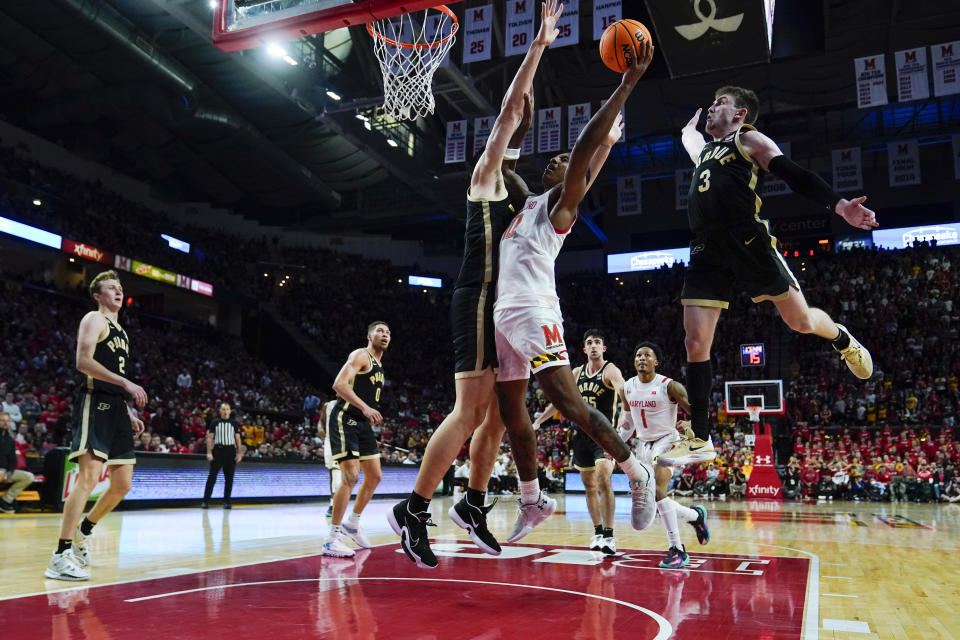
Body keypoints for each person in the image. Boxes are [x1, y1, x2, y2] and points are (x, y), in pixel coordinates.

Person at [389, 0, 566, 570]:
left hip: (505, 303)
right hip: (478, 296)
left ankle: (472, 500)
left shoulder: (516, 186)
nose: (519, 122)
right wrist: (537, 47)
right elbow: (514, 108)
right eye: (512, 127)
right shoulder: (485, 177)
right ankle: (413, 510)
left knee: (495, 414)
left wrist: (533, 90)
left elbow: (526, 109)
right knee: (469, 413)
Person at [492, 40, 659, 546]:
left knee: (566, 403)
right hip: (504, 316)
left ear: (577, 180)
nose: (559, 159)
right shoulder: (527, 203)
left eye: (568, 161)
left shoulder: (560, 211)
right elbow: (501, 169)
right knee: (512, 415)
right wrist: (522, 117)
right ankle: (531, 498)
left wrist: (626, 85)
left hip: (536, 310)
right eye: (557, 157)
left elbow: (584, 150)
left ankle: (635, 472)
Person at [660, 86, 877, 466]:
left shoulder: (748, 139)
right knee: (695, 341)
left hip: (747, 239)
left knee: (800, 320)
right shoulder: (705, 153)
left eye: (720, 103)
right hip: (706, 248)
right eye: (711, 103)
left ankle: (842, 338)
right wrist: (686, 131)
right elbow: (691, 143)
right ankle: (701, 437)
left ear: (741, 114)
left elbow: (795, 174)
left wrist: (839, 206)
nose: (712, 107)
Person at [45, 270, 148, 581]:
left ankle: (82, 532)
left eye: (120, 288)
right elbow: (83, 362)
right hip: (95, 402)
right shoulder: (94, 318)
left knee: (122, 485)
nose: (118, 292)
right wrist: (126, 384)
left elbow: (111, 374)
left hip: (116, 408)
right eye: (111, 288)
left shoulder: (123, 332)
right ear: (97, 295)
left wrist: (126, 410)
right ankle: (60, 555)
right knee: (88, 479)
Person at [617, 342, 709, 569]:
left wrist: (690, 423)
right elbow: (628, 424)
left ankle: (677, 549)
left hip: (668, 441)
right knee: (656, 499)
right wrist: (616, 443)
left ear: (656, 362)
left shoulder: (670, 386)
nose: (641, 358)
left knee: (658, 490)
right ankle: (694, 516)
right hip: (643, 446)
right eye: (638, 355)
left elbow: (698, 411)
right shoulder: (627, 387)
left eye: (647, 355)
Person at [533, 329, 623, 555]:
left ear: (603, 348)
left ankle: (610, 536)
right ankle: (598, 532)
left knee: (604, 480)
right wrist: (538, 422)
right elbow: (559, 401)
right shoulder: (576, 373)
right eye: (589, 342)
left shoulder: (609, 369)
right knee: (590, 487)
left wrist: (621, 429)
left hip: (603, 436)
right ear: (584, 349)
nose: (593, 346)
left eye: (597, 342)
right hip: (581, 436)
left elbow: (623, 391)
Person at [324, 321, 390, 558]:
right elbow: (339, 384)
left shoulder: (380, 365)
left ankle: (352, 523)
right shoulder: (361, 355)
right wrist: (365, 408)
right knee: (350, 476)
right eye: (380, 331)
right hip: (345, 418)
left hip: (362, 424)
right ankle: (331, 539)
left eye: (388, 332)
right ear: (369, 335)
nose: (385, 335)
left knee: (375, 476)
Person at [201, 402, 242, 509]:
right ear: (220, 411)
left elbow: (237, 439)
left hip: (230, 451)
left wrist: (239, 453)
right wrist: (209, 452)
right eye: (223, 409)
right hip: (218, 451)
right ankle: (206, 500)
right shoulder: (215, 422)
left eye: (227, 409)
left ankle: (227, 501)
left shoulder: (234, 423)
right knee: (212, 477)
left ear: (230, 411)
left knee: (229, 479)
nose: (225, 411)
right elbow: (209, 438)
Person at [0, 411, 35, 513]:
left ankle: (5, 500)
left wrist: (10, 471)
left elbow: (12, 460)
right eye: (2, 420)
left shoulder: (10, 440)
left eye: (7, 421)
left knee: (29, 476)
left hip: (6, 472)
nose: (5, 423)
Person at [319, 398, 342, 519]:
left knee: (340, 475)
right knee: (334, 474)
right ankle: (333, 503)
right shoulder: (328, 405)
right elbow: (321, 423)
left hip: (346, 441)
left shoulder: (353, 404)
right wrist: (321, 430)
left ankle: (335, 504)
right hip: (330, 442)